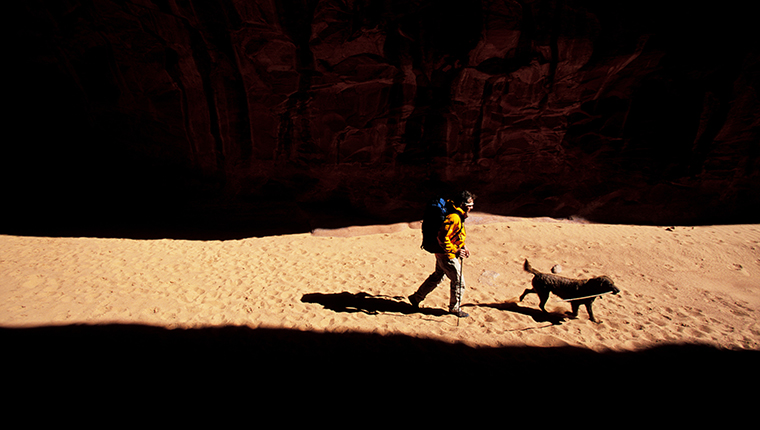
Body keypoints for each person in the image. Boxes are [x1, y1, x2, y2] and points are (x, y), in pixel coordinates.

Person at [409, 190, 475, 318]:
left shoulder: (457, 214)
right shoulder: (454, 217)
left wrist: (463, 246)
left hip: (443, 253)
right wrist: (455, 251)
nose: (472, 207)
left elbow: (456, 234)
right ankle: (455, 309)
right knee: (459, 282)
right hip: (447, 256)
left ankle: (416, 298)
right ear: (462, 204)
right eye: (470, 205)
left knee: (437, 276)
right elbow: (443, 237)